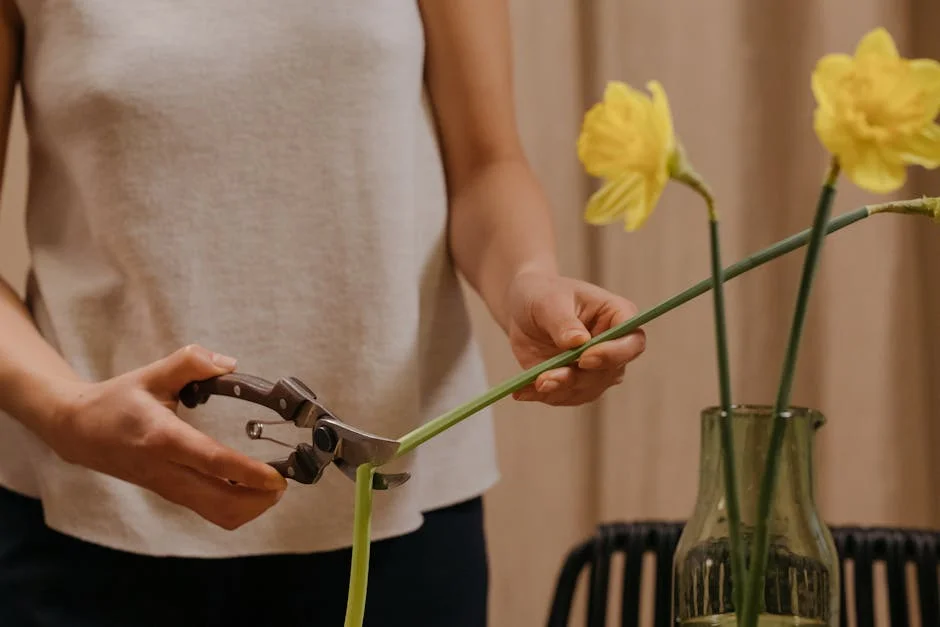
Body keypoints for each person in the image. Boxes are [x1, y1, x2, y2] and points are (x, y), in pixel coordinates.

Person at [0, 1, 647, 625]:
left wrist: (528, 281)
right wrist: (66, 413)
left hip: (402, 518)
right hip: (83, 532)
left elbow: (486, 166)